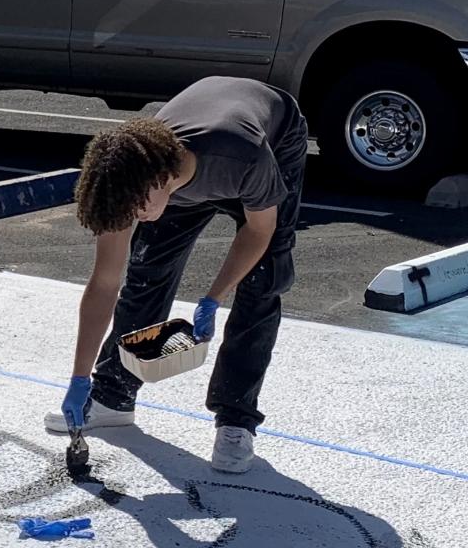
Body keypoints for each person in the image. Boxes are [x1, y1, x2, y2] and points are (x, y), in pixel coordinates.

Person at [48, 77, 307, 474]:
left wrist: (214, 295)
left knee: (262, 280)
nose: (133, 216)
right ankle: (111, 395)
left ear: (160, 180)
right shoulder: (129, 180)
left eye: (137, 208)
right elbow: (104, 285)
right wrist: (79, 377)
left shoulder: (242, 157)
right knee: (147, 272)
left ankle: (236, 420)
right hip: (186, 172)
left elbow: (258, 231)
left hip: (268, 139)